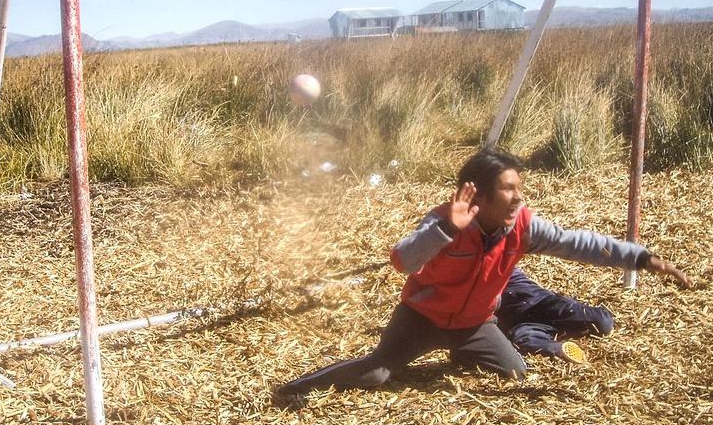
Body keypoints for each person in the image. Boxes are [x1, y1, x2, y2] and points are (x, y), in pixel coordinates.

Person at [278, 148, 689, 394]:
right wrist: (443, 231)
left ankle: (464, 347)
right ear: (481, 193)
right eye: (509, 188)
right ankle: (299, 386)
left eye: (519, 188)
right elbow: (403, 261)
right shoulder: (444, 221)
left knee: (515, 371)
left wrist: (640, 257)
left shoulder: (523, 225)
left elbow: (576, 243)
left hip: (475, 323)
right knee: (378, 372)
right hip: (421, 318)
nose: (518, 196)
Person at [496, 267, 615, 364]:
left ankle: (574, 309)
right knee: (523, 339)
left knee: (603, 323)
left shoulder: (499, 265)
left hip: (542, 303)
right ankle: (559, 349)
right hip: (519, 323)